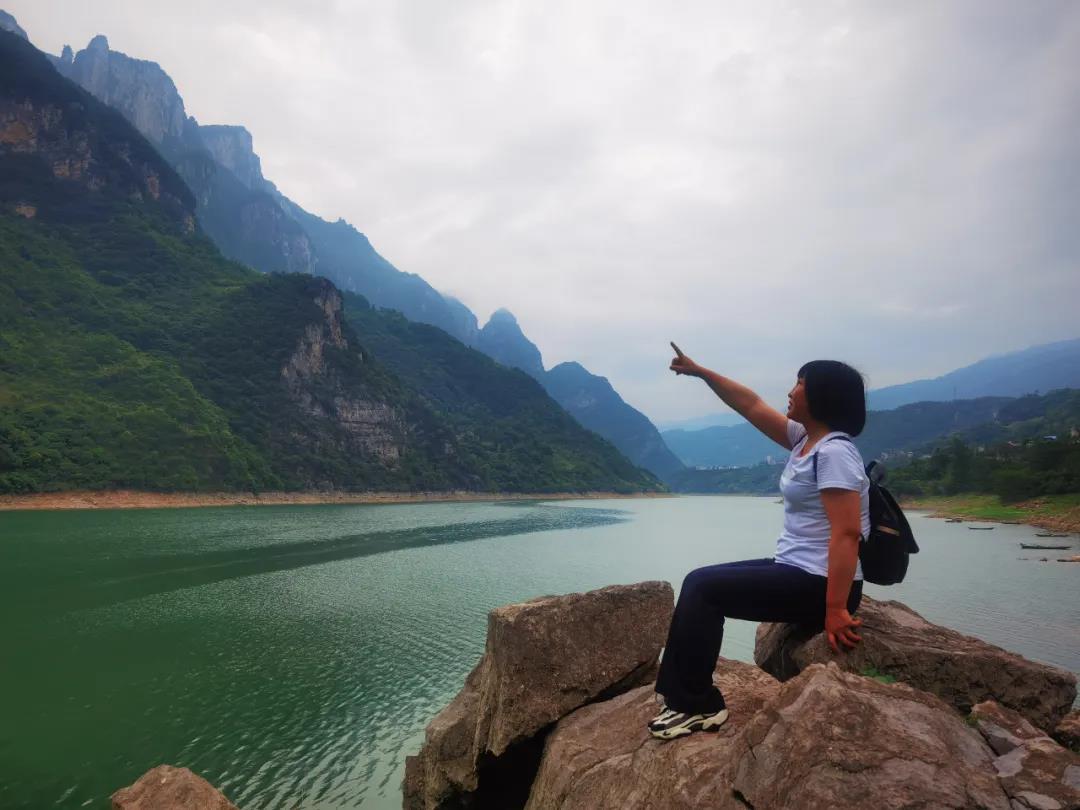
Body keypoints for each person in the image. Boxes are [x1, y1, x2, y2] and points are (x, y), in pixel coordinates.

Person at [649, 345, 870, 741]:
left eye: (799, 384)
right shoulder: (805, 440)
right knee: (698, 581)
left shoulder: (834, 453)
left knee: (704, 588)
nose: (790, 391)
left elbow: (847, 533)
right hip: (796, 569)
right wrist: (701, 372)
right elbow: (749, 405)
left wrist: (835, 608)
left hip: (820, 584)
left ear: (821, 396)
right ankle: (680, 696)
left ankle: (698, 706)